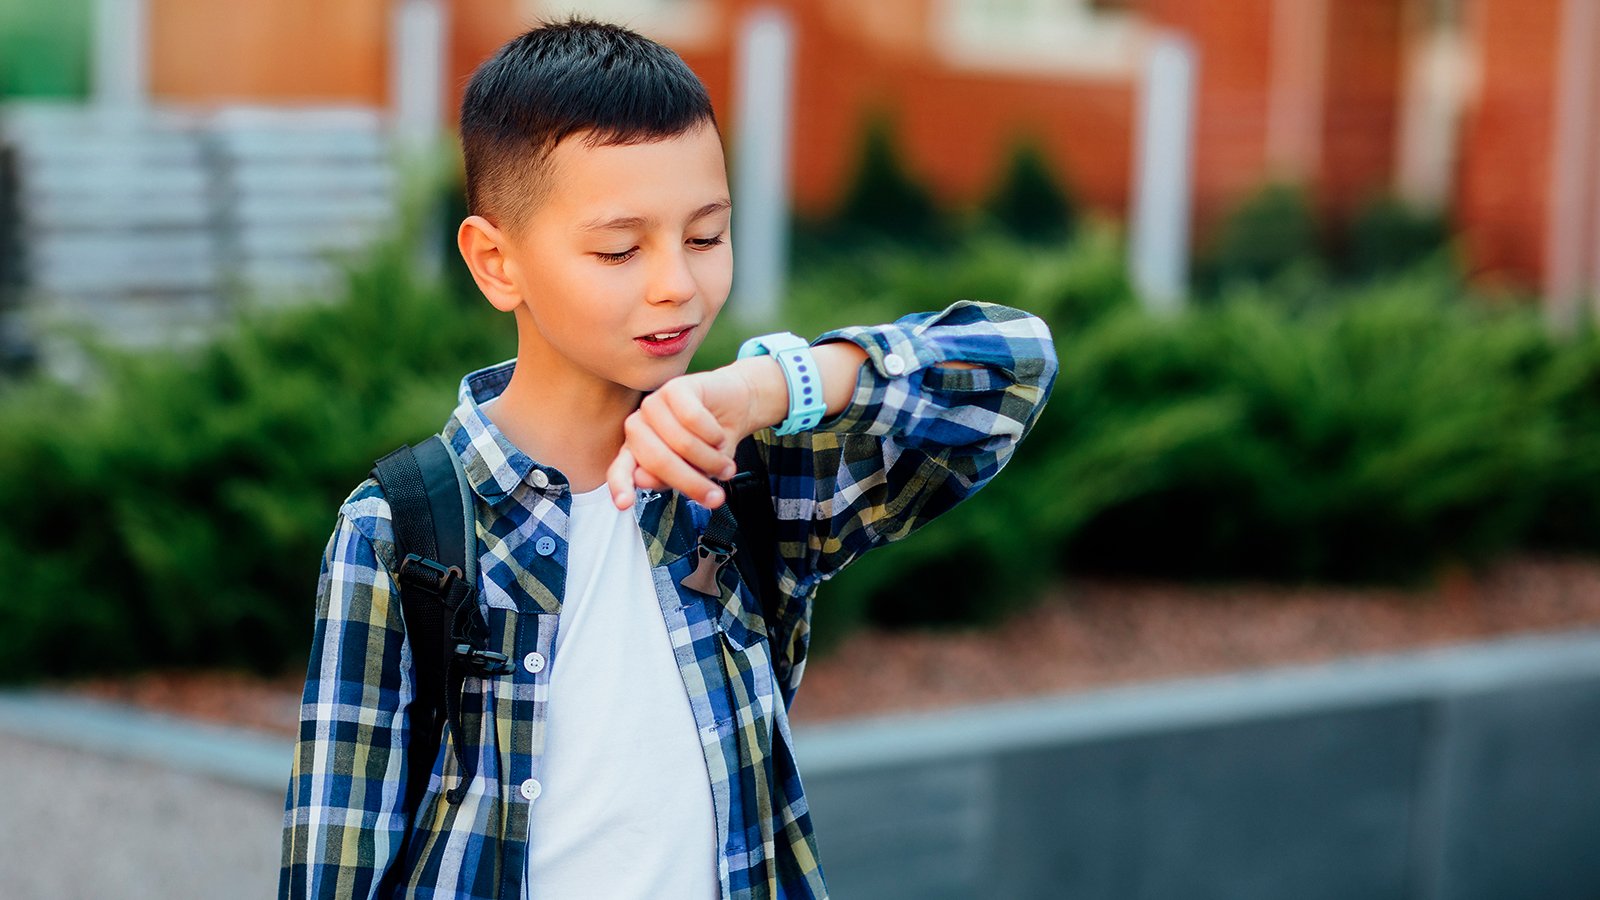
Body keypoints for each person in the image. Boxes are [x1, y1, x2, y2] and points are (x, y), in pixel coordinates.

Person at [280, 17, 1057, 900]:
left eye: (705, 236)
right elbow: (333, 864)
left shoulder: (752, 475)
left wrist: (774, 388)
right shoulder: (404, 528)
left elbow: (1013, 366)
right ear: (497, 263)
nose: (676, 285)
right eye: (620, 248)